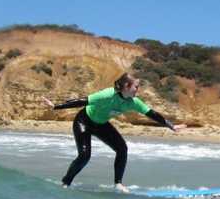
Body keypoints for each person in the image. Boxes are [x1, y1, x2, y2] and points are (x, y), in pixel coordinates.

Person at [42, 73, 185, 192]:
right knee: (85, 156)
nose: (137, 90)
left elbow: (152, 114)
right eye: (136, 87)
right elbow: (82, 101)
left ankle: (118, 184)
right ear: (126, 86)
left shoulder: (133, 102)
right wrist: (55, 106)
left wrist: (171, 126)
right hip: (84, 122)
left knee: (122, 148)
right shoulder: (108, 94)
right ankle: (66, 183)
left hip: (101, 124)